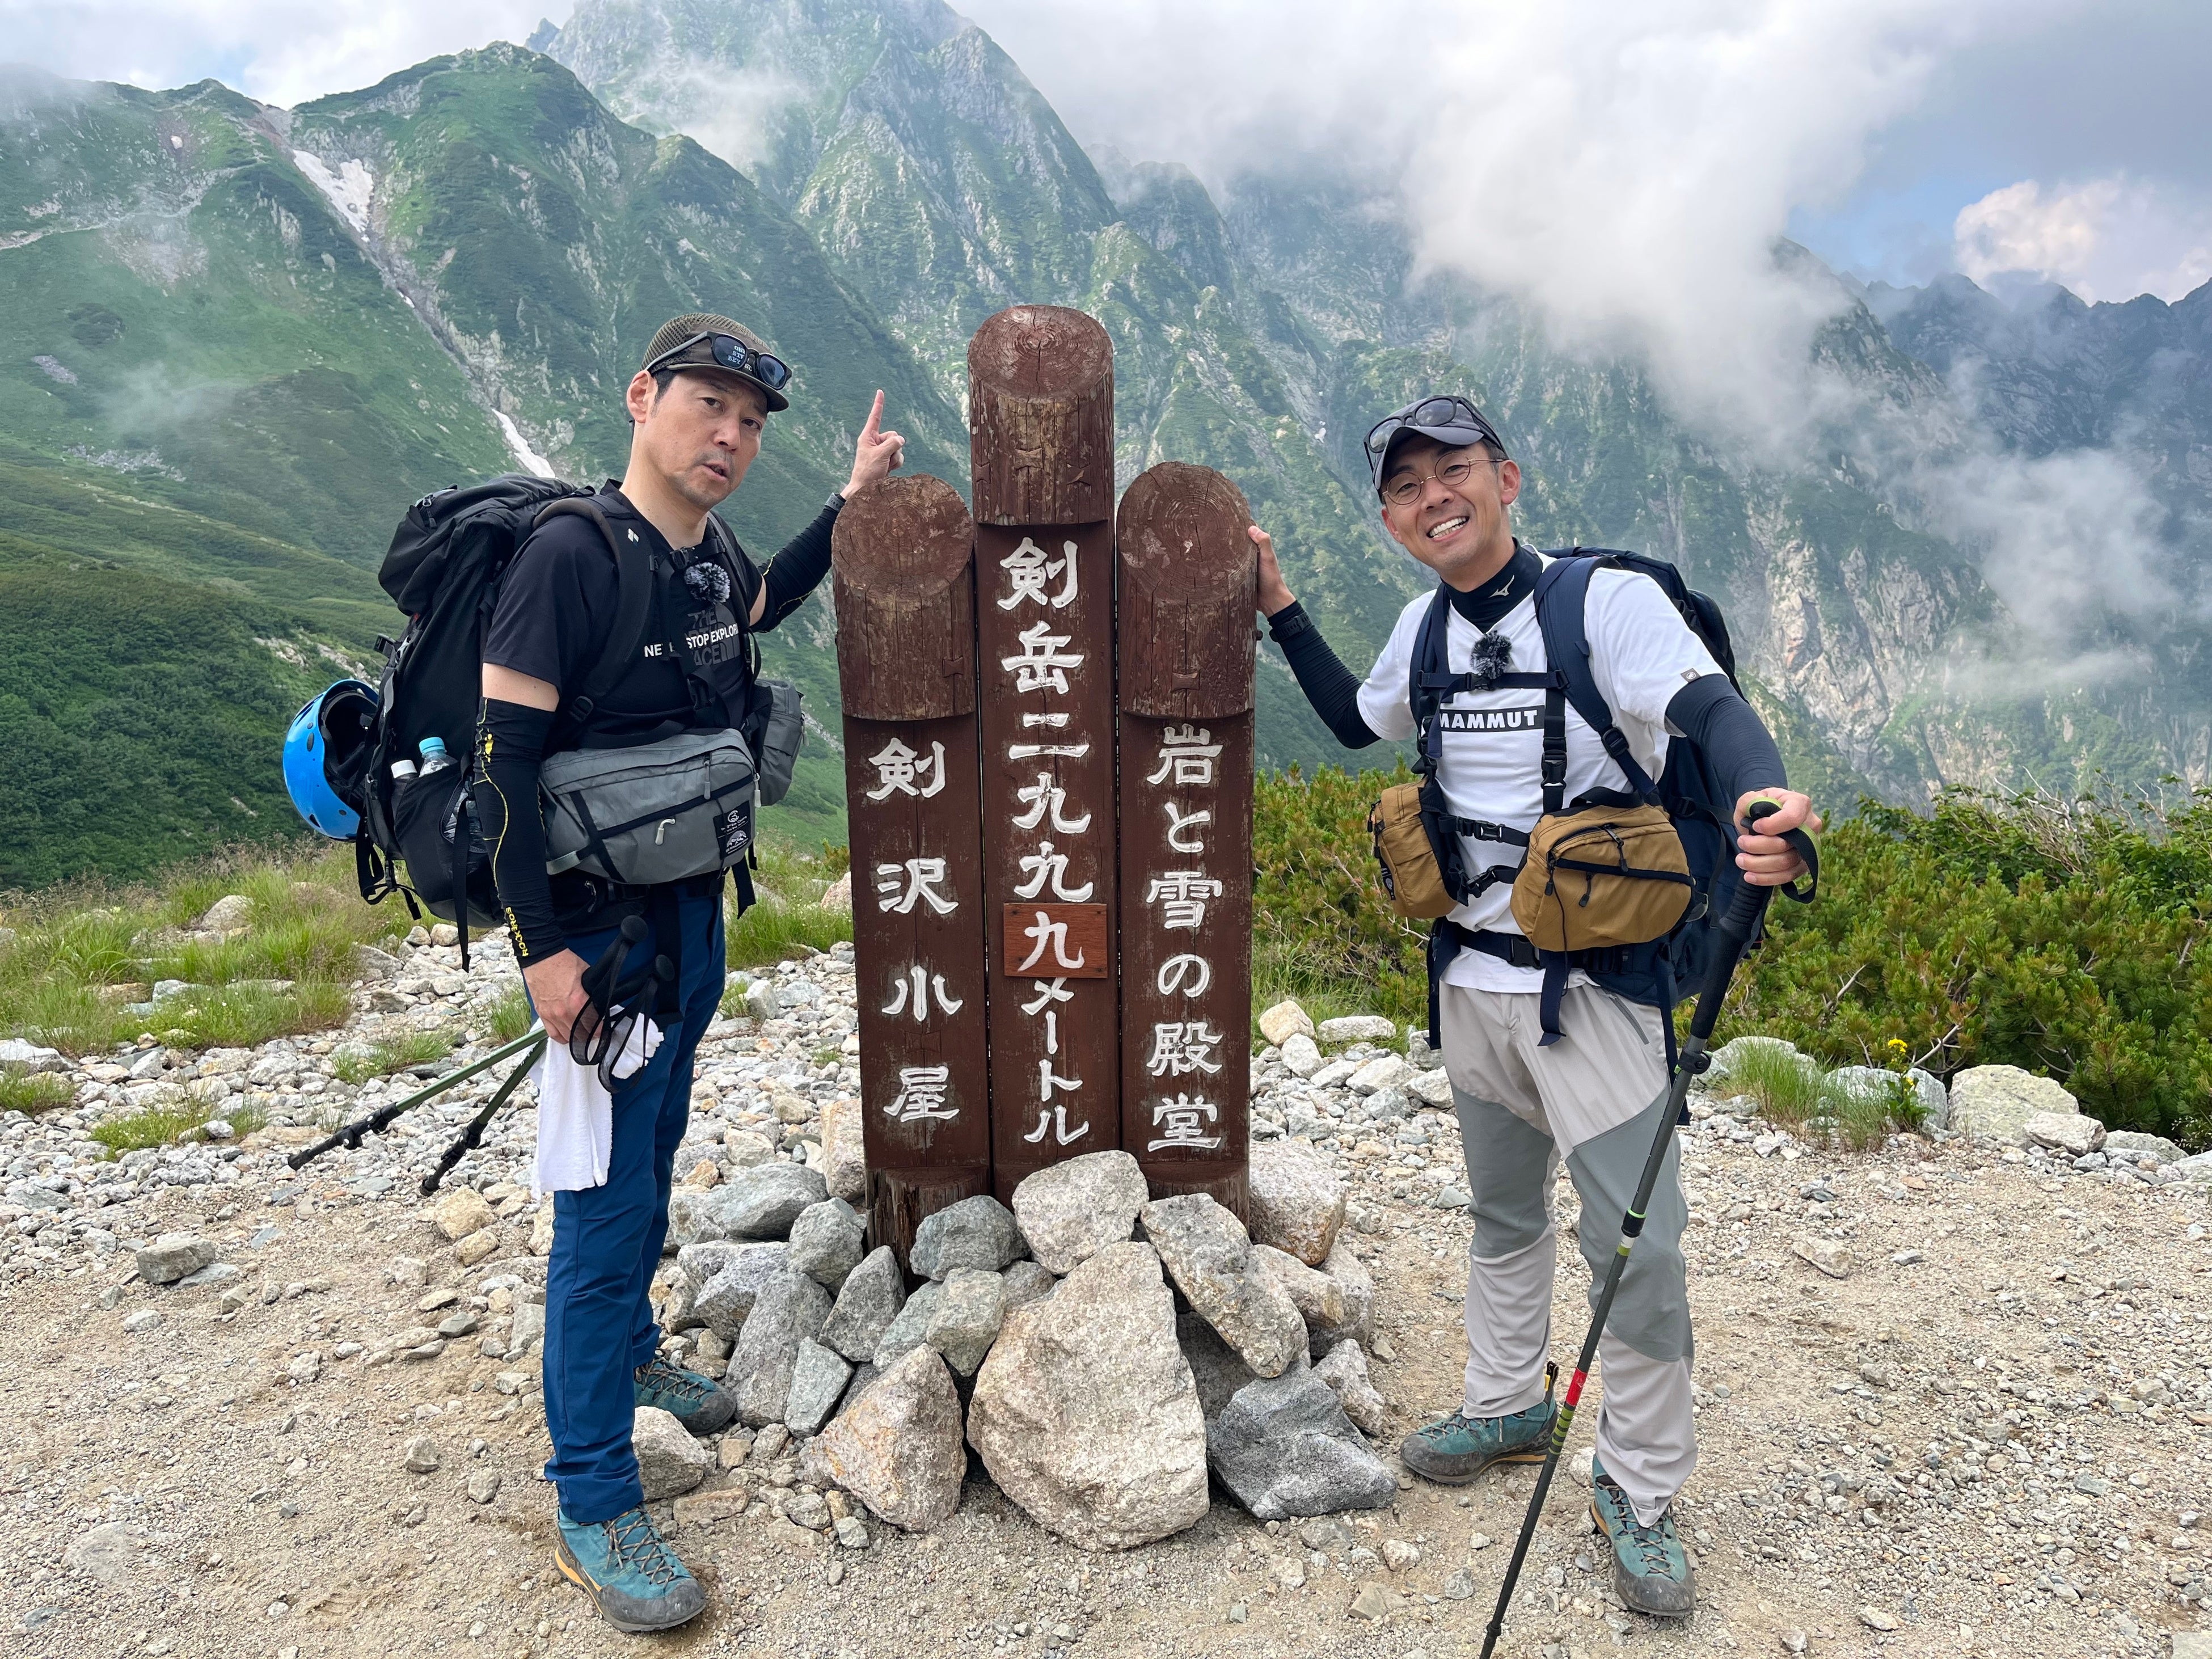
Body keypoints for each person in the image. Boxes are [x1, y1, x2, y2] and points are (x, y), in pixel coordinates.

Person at [1249, 393, 1818, 1620]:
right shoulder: (1422, 628)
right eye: (1406, 488)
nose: (1433, 498)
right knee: (1505, 1212)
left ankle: (1639, 1486)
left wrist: (1762, 792)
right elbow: (1355, 719)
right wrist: (1281, 606)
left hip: (1599, 990)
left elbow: (1710, 713)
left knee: (1640, 1250)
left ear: (1506, 479)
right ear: (1393, 520)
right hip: (1471, 981)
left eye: (1452, 471)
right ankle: (1508, 1402)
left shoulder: (1604, 604)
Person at [473, 313, 903, 1633]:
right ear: (641, 397)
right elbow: (503, 767)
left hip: (690, 923)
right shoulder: (568, 556)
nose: (731, 435)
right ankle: (595, 1497)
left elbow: (765, 601)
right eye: (708, 405)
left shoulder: (707, 559)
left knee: (653, 1157)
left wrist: (849, 504)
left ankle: (633, 1356)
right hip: (599, 944)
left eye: (750, 420)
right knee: (602, 1211)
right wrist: (543, 954)